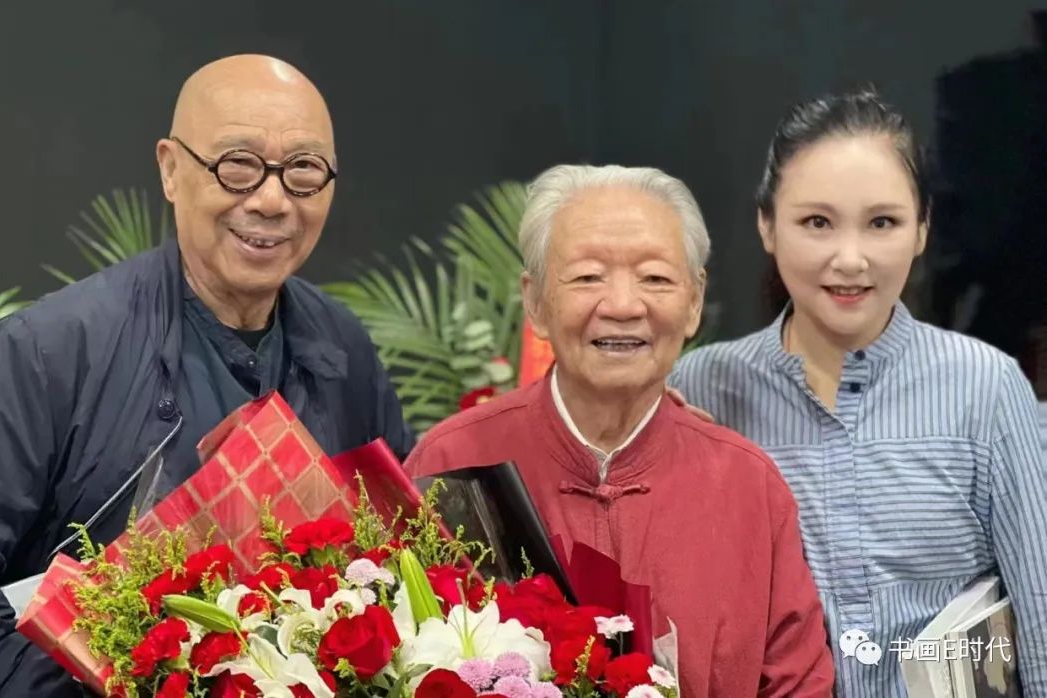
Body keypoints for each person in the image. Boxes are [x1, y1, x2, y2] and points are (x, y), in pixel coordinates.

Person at [0, 54, 414, 695]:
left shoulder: (343, 349)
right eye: (237, 165)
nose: (271, 200)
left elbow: (397, 559)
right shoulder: (49, 351)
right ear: (171, 170)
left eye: (304, 170)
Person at [669, 90, 1047, 696]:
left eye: (882, 223)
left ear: (922, 228)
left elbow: (1040, 613)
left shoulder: (987, 386)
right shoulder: (703, 386)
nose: (850, 260)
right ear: (767, 225)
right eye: (817, 223)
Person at [405, 165, 835, 696]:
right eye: (588, 277)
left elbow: (799, 684)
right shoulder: (451, 461)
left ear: (694, 301)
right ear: (535, 302)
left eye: (655, 278)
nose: (624, 306)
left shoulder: (748, 485)